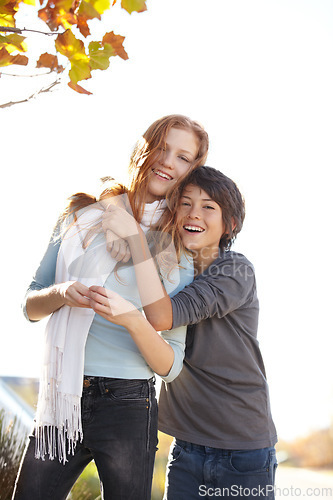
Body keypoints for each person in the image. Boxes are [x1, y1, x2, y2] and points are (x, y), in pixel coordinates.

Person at [12, 114, 209, 500]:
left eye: (183, 157)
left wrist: (134, 318)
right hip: (61, 399)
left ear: (192, 170)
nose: (168, 161)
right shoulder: (81, 216)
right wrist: (63, 292)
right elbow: (31, 307)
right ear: (143, 148)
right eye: (163, 147)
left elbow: (170, 365)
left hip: (129, 404)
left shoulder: (180, 245)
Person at [91, 166, 278, 499]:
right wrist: (117, 213)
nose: (195, 213)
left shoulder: (234, 270)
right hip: (187, 448)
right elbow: (115, 193)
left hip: (242, 450)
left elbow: (161, 317)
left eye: (209, 207)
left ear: (230, 225)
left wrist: (133, 238)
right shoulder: (168, 267)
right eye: (186, 203)